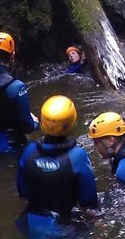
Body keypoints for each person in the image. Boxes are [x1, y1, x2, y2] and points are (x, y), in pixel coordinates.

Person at [16, 95, 98, 238]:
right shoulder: (77, 156)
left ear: (42, 122)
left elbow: (22, 191)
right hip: (64, 228)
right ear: (72, 122)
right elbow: (89, 201)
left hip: (30, 223)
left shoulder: (29, 151)